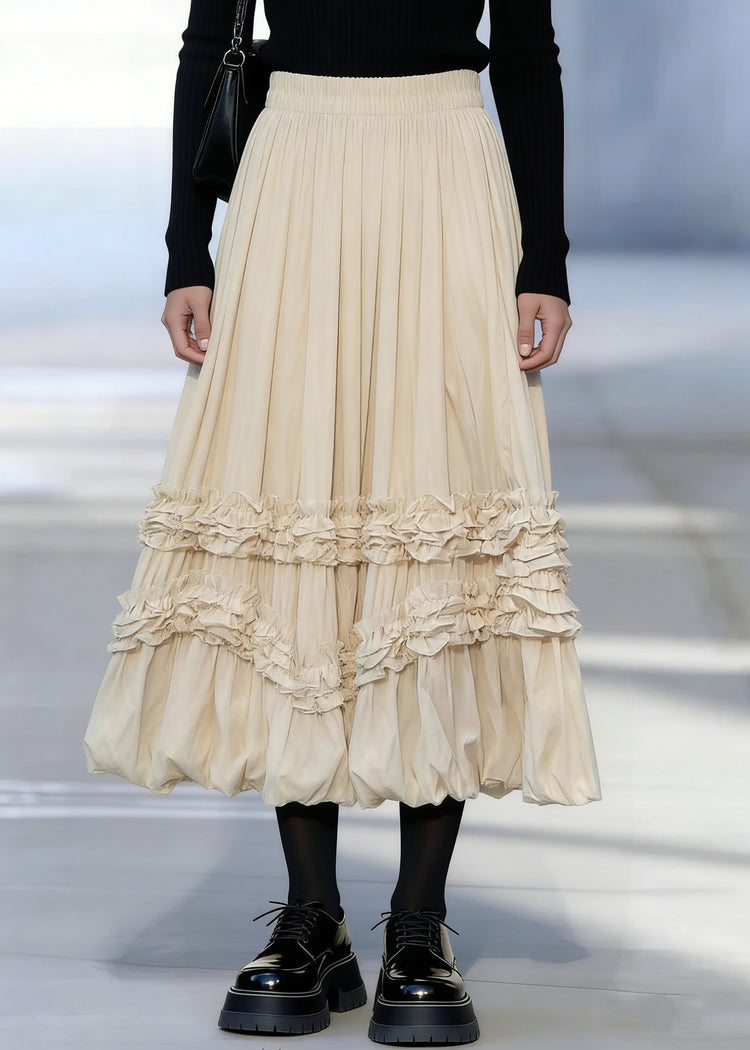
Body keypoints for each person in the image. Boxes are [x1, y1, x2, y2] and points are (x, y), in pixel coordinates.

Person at [83, 1, 602, 1044]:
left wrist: (544, 257)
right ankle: (312, 914)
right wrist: (189, 249)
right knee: (295, 513)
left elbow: (528, 53)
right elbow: (211, 40)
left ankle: (419, 923)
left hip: (447, 169)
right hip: (295, 173)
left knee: (438, 521)